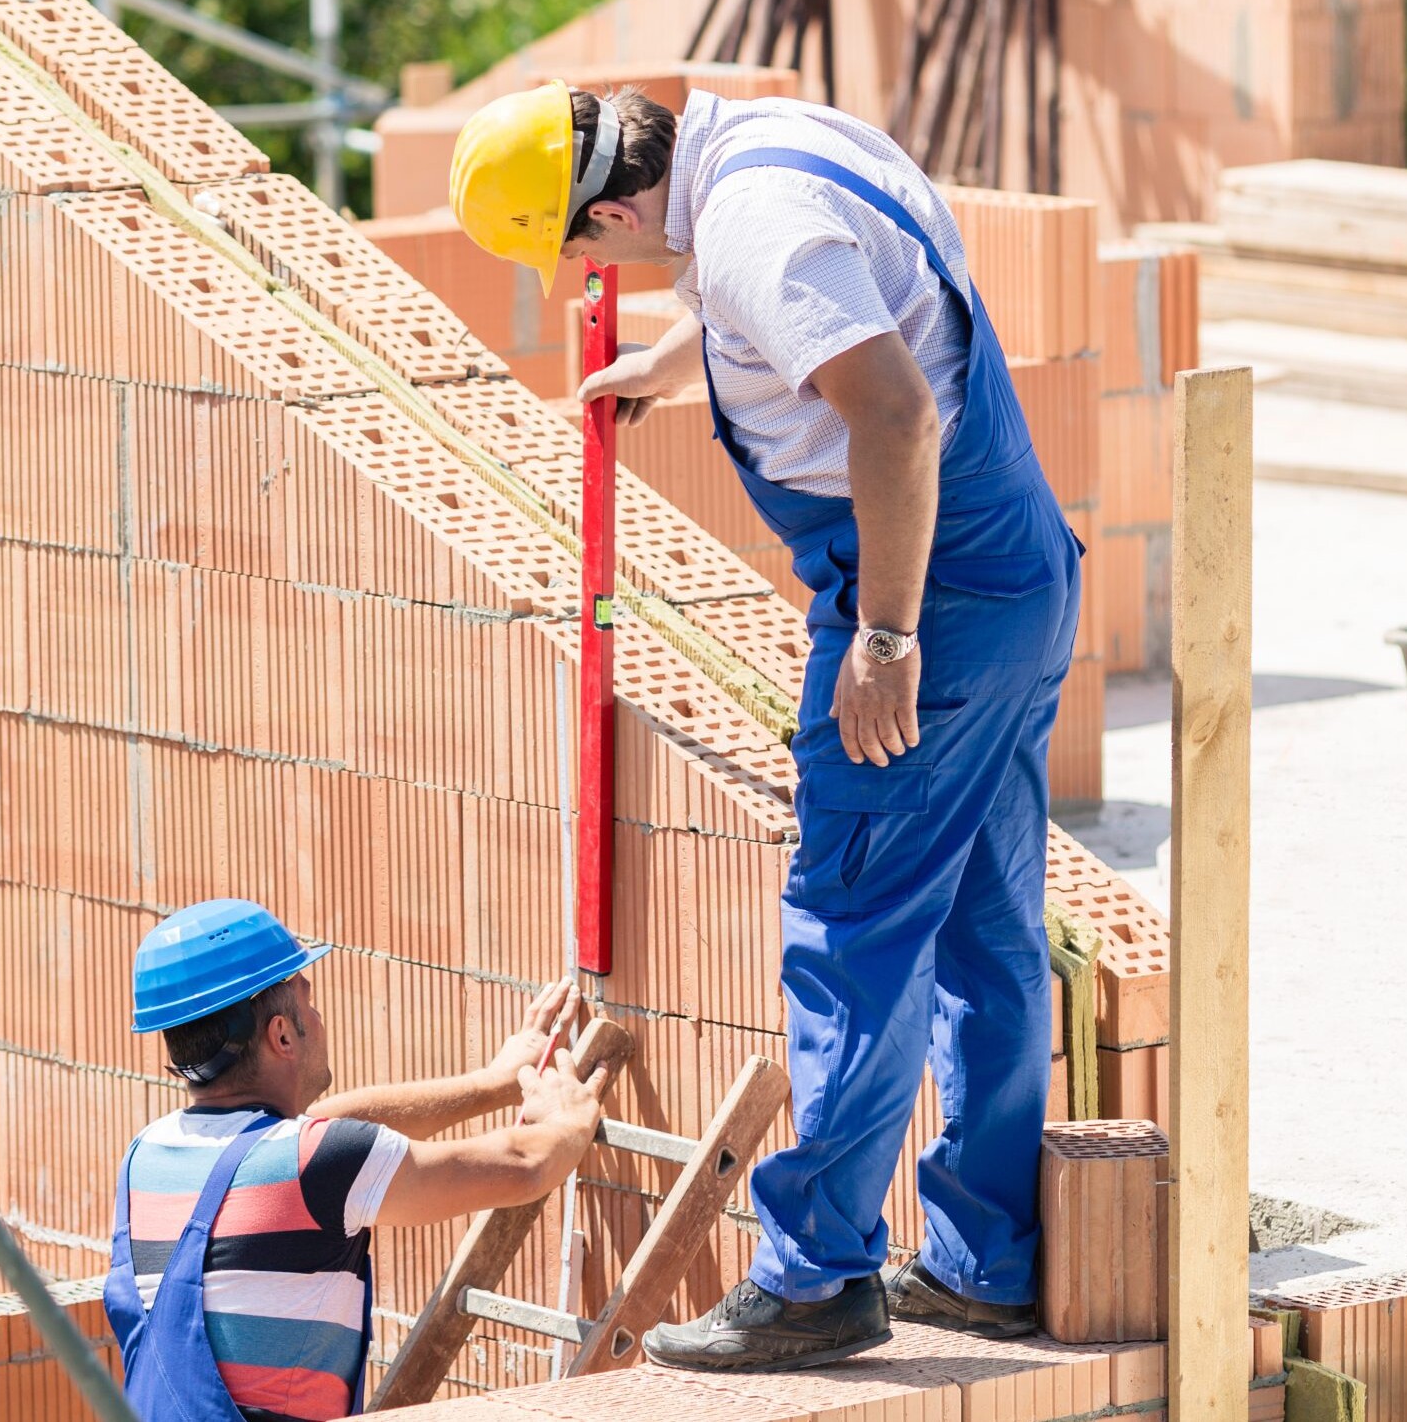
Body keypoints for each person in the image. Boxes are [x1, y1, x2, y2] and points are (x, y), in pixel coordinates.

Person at [446, 82, 1080, 1371]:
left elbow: (894, 415)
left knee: (853, 925)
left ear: (616, 203)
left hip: (928, 594)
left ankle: (815, 1276)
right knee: (986, 927)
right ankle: (986, 1261)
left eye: (578, 245)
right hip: (1011, 573)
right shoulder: (764, 141)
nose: (586, 267)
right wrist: (670, 366)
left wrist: (886, 641)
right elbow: (828, 299)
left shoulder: (745, 227)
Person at [105, 899, 609, 1422]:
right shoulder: (316, 1162)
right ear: (282, 1035)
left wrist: (492, 1084)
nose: (319, 1019)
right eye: (310, 1002)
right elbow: (525, 1164)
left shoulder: (148, 1155)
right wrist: (569, 1119)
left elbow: (316, 1131)